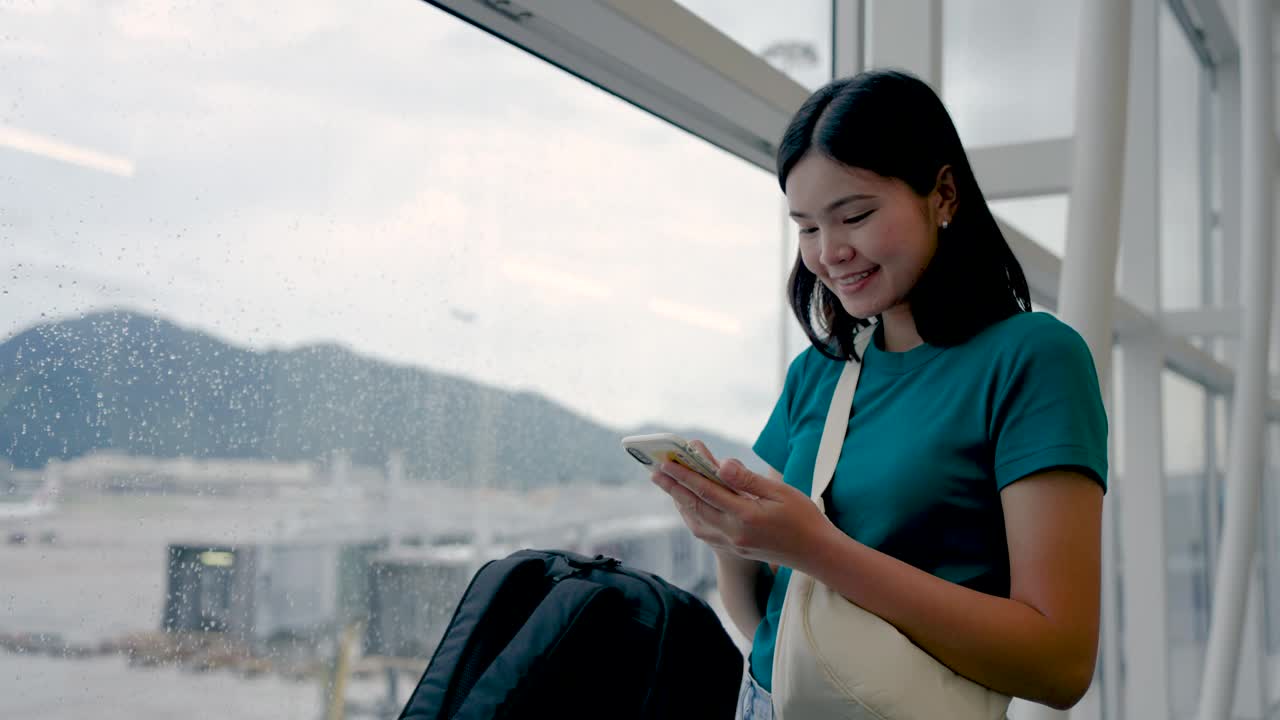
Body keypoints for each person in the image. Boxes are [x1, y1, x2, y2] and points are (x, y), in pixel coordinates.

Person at [649, 69, 1108, 719]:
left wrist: (818, 549)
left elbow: (1059, 664)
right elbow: (776, 630)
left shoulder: (1034, 358)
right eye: (806, 227)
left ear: (943, 194)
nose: (829, 252)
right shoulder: (820, 371)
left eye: (855, 215)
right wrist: (732, 540)